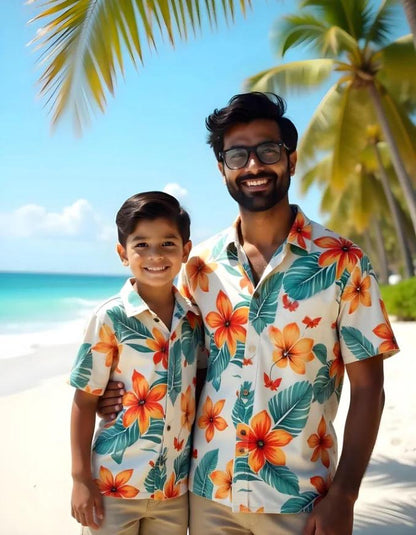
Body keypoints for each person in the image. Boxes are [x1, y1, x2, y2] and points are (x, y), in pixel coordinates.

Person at [98, 93, 399, 535]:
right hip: (207, 493)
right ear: (223, 168)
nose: (254, 166)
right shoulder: (198, 265)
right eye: (237, 155)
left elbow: (370, 389)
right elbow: (177, 356)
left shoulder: (342, 261)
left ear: (291, 161)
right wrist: (111, 392)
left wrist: (346, 495)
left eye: (268, 151)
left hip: (300, 496)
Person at [70, 191, 204, 535]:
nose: (155, 255)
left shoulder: (193, 319)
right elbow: (84, 401)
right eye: (141, 245)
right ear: (122, 253)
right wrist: (81, 480)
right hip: (113, 485)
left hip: (174, 489)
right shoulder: (110, 318)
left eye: (168, 244)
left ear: (186, 251)